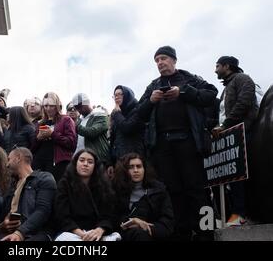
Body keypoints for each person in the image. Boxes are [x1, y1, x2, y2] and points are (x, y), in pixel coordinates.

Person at [138, 46, 218, 240]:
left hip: (188, 142)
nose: (160, 63)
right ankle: (180, 233)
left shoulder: (189, 78)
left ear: (174, 60)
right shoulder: (153, 85)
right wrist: (151, 100)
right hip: (163, 147)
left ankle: (205, 232)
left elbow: (211, 94)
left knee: (197, 189)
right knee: (172, 191)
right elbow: (139, 113)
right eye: (156, 60)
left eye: (163, 58)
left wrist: (183, 92)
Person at [212, 56, 258, 226]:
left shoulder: (243, 79)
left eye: (217, 66)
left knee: (241, 176)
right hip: (230, 137)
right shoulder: (226, 89)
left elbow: (244, 103)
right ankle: (237, 214)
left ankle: (241, 214)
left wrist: (226, 125)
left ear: (227, 66)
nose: (215, 70)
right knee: (233, 177)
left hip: (244, 134)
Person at [54, 149, 119, 241]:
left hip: (97, 232)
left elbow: (109, 215)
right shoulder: (64, 184)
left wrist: (100, 230)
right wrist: (83, 234)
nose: (85, 164)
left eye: (90, 162)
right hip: (72, 232)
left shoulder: (103, 186)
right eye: (82, 160)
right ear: (75, 163)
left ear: (95, 166)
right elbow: (62, 216)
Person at [0, 147, 57, 241]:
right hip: (11, 233)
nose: (7, 165)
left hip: (37, 233)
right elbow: (2, 217)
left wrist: (20, 233)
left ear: (18, 158)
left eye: (9, 159)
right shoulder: (11, 187)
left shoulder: (44, 179)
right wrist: (3, 225)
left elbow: (43, 211)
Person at [113, 153, 174, 241]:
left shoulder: (159, 190)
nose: (136, 170)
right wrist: (131, 221)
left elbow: (168, 222)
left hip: (152, 235)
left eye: (139, 166)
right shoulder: (117, 190)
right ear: (124, 170)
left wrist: (146, 227)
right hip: (124, 234)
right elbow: (112, 217)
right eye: (131, 167)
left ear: (144, 169)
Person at [32, 92, 77, 182]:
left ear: (57, 105)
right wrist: (38, 138)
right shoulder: (40, 122)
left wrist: (52, 134)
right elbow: (32, 148)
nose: (48, 108)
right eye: (45, 106)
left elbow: (71, 143)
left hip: (58, 164)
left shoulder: (66, 119)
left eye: (51, 105)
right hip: (39, 164)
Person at [71, 93, 110, 165]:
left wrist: (74, 124)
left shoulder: (100, 115)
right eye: (76, 107)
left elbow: (92, 132)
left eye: (80, 106)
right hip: (82, 159)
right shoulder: (80, 119)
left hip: (98, 160)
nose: (79, 109)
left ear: (87, 103)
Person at [110, 85, 145, 160]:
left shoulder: (138, 109)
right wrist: (110, 162)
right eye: (115, 95)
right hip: (119, 158)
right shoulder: (117, 113)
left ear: (127, 95)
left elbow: (127, 128)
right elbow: (113, 140)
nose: (116, 97)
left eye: (120, 94)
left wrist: (117, 114)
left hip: (134, 157)